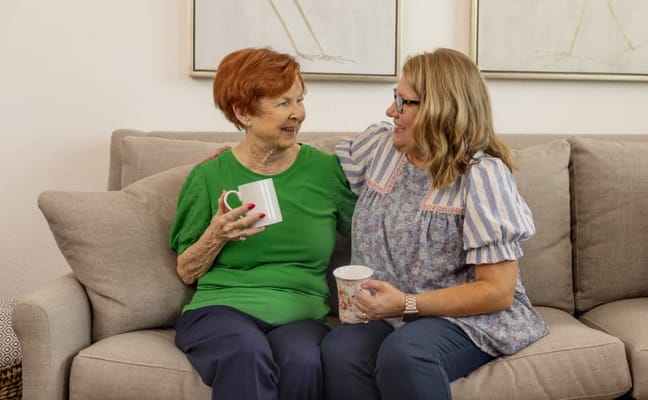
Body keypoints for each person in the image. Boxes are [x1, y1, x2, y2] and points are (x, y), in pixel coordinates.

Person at [321, 47, 550, 400]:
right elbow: (311, 173)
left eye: (404, 102)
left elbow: (497, 292)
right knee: (340, 350)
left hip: (464, 317)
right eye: (394, 98)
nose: (390, 111)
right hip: (387, 314)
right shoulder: (380, 147)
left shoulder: (482, 176)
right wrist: (243, 156)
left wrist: (407, 303)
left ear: (441, 110)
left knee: (406, 353)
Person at [169, 47, 356, 400]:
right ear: (242, 112)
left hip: (301, 316)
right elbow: (186, 271)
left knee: (304, 361)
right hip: (220, 311)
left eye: (299, 99)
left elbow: (371, 233)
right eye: (283, 103)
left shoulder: (326, 172)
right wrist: (216, 234)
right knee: (246, 352)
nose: (298, 113)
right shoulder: (209, 176)